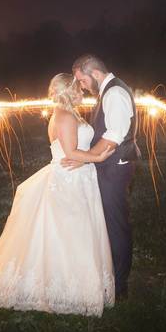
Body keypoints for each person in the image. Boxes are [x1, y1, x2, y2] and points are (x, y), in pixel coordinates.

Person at [0, 73, 118, 316]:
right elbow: (71, 153)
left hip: (76, 178)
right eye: (79, 89)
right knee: (71, 233)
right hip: (69, 182)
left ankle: (74, 285)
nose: (82, 92)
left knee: (72, 233)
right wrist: (98, 157)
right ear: (70, 91)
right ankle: (68, 289)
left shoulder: (66, 114)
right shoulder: (64, 116)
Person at [64, 54, 139, 301]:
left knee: (115, 225)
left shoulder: (115, 94)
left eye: (83, 81)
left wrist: (85, 156)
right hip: (110, 166)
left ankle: (119, 287)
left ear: (94, 74)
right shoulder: (108, 91)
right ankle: (111, 278)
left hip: (114, 167)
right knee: (109, 223)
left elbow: (113, 137)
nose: (82, 87)